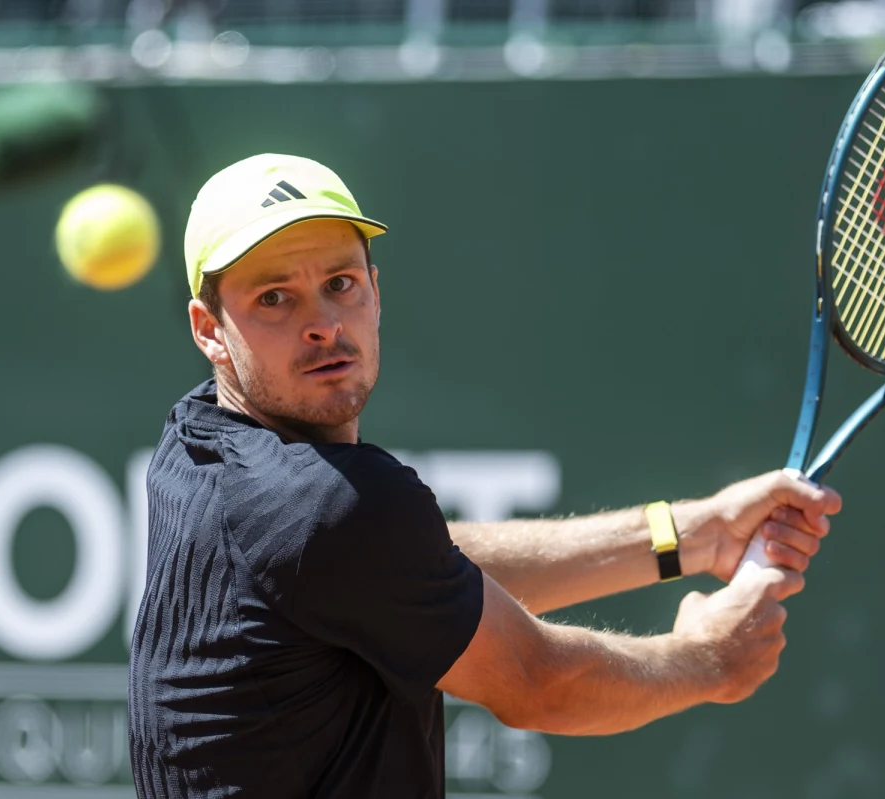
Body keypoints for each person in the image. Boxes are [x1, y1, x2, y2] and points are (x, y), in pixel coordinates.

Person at [127, 154, 843, 799]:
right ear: (209, 328)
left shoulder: (195, 441)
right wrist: (709, 657)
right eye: (275, 298)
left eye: (340, 284)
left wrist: (692, 534)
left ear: (375, 292)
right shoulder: (322, 506)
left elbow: (410, 567)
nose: (322, 322)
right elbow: (537, 682)